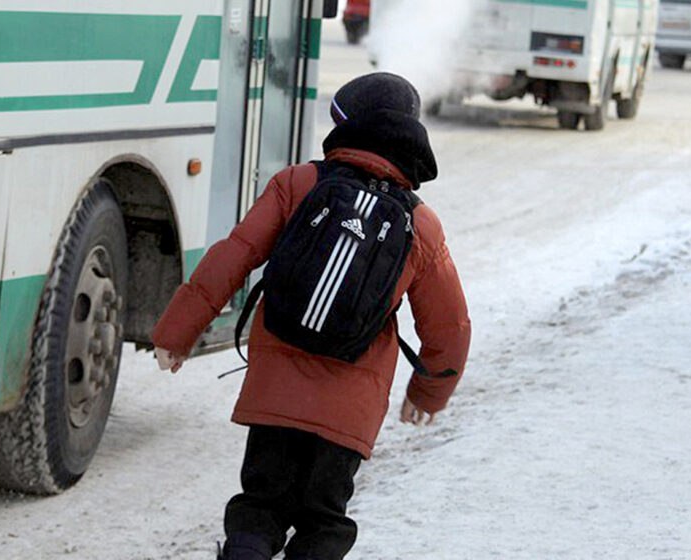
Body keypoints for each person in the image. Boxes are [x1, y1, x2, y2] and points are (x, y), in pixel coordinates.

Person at [151, 72, 471, 560]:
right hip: (350, 413)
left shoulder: (298, 183)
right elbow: (450, 326)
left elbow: (232, 256)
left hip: (274, 391)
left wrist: (178, 332)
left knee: (260, 506)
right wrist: (428, 392)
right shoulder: (420, 225)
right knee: (323, 521)